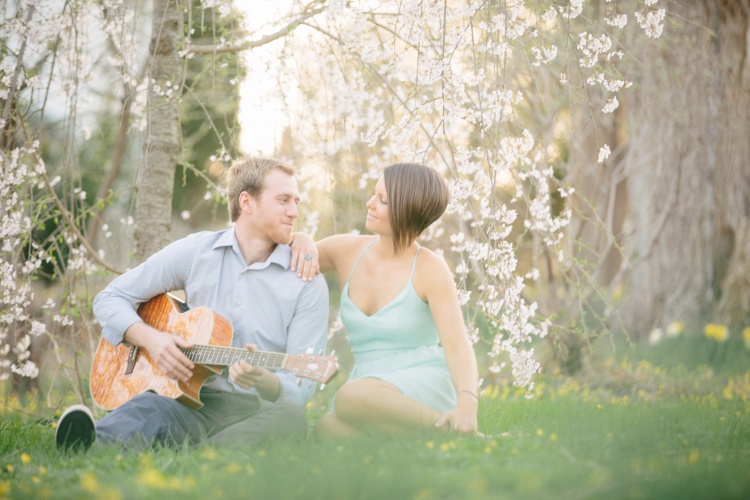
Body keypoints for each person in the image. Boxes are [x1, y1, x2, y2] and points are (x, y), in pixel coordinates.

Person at [55, 156, 329, 451]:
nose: (294, 212)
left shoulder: (307, 281)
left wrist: (264, 380)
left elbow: (303, 384)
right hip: (190, 404)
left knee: (290, 419)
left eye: (296, 202)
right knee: (148, 405)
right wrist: (154, 341)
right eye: (284, 200)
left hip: (256, 411)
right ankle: (89, 446)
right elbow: (110, 299)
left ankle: (200, 453)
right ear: (247, 202)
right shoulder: (198, 252)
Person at [291, 162, 479, 438]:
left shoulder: (430, 268)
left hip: (418, 382)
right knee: (325, 431)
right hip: (367, 386)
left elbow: (458, 346)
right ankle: (426, 444)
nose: (370, 204)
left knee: (349, 396)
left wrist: (467, 402)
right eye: (374, 195)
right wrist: (302, 238)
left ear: (406, 210)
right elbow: (289, 258)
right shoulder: (346, 251)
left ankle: (457, 433)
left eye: (382, 200)